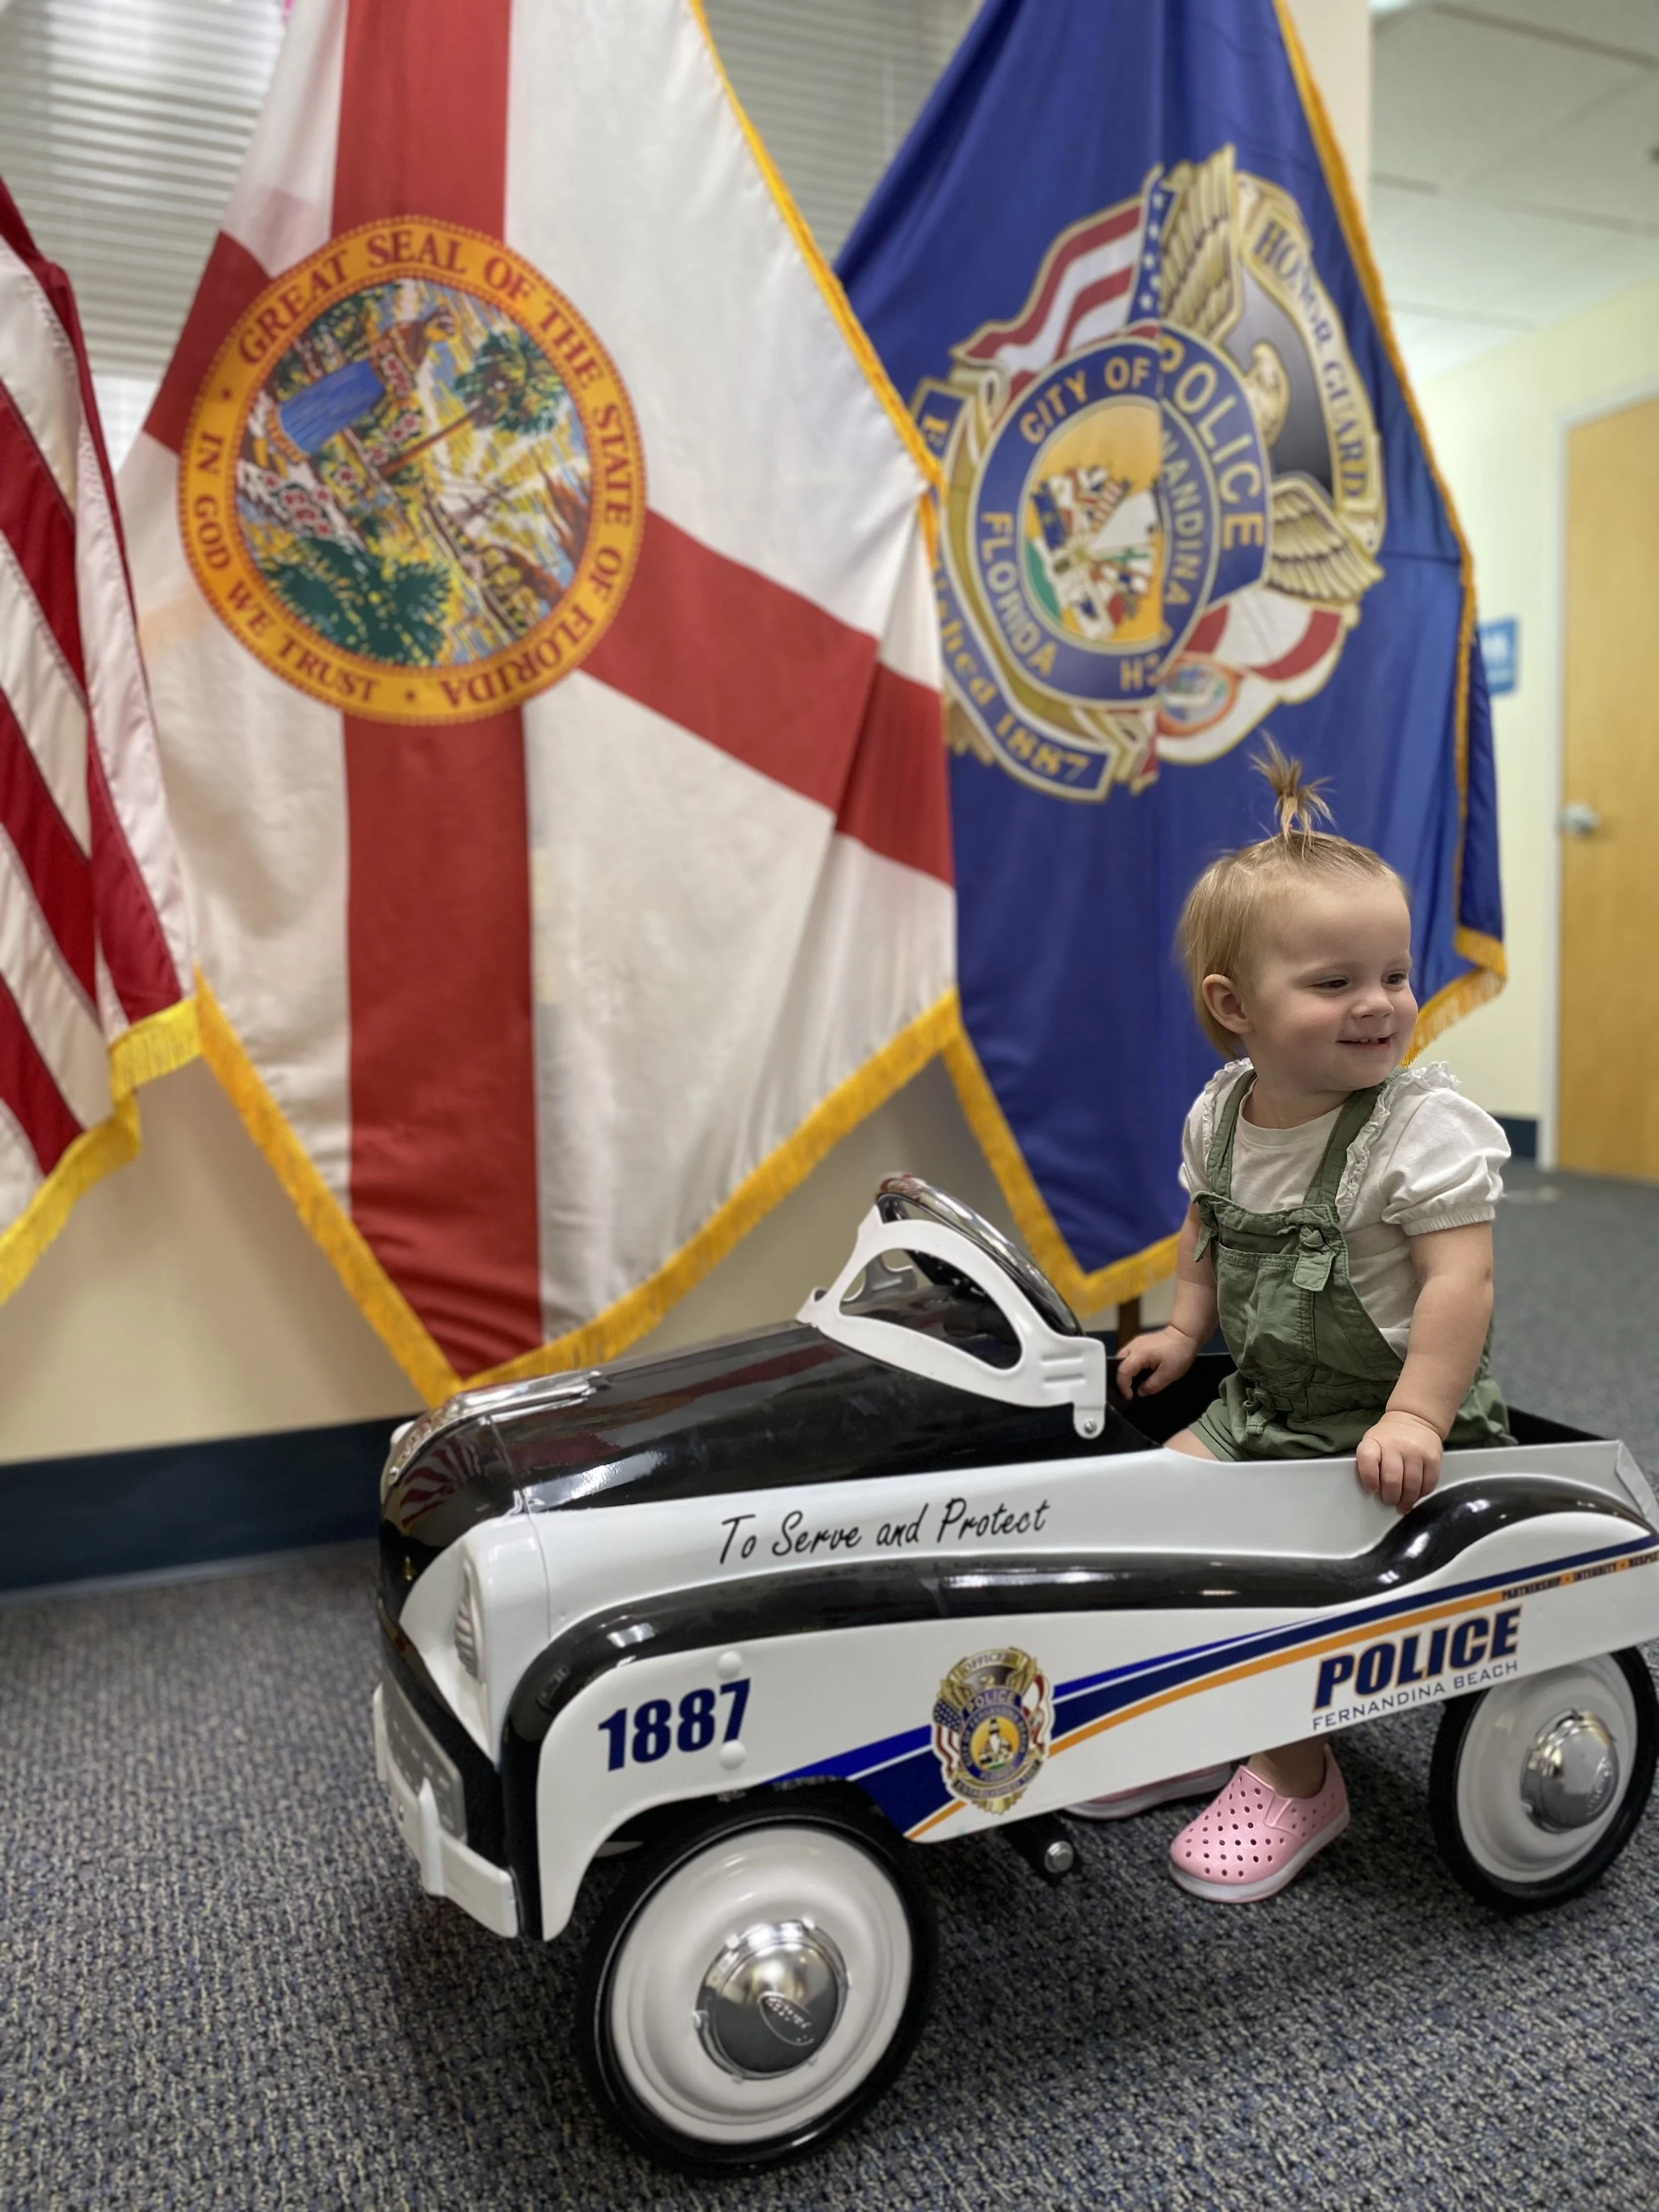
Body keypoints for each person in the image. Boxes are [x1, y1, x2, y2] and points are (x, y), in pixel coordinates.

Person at [1071, 743, 1510, 1899]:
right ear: (1235, 1008)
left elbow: (1461, 1283)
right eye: (1334, 983)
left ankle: (1300, 1770)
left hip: (1390, 1429)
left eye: (1395, 974)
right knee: (1151, 1527)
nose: (1379, 1005)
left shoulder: (1419, 1128)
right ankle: (1200, 1721)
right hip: (1267, 1407)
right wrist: (1181, 1326)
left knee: (1280, 1577)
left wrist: (1420, 1412)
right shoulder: (1225, 1111)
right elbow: (1205, 1224)